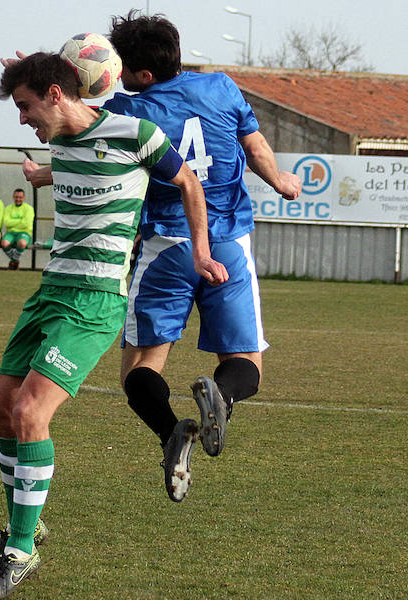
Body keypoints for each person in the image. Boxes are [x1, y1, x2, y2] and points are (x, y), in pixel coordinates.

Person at [0, 52, 226, 600]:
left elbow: (187, 183)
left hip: (94, 300)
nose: (21, 119)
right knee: (1, 412)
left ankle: (20, 551)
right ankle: (27, 524)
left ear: (57, 94)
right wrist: (35, 68)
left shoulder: (136, 133)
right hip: (48, 293)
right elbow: (62, 158)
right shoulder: (59, 144)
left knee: (29, 411)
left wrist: (202, 252)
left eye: (25, 106)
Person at [106, 11, 302, 500]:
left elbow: (79, 140)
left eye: (121, 65)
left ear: (143, 74)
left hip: (168, 248)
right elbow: (253, 144)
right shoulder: (221, 86)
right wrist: (279, 180)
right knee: (245, 361)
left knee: (141, 369)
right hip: (230, 245)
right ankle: (224, 395)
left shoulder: (128, 110)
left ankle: (173, 433)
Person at [0, 188, 34, 270]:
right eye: (16, 197)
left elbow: (26, 224)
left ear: (24, 198)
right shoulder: (8, 208)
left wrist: (13, 223)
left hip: (24, 232)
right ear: (13, 197)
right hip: (11, 233)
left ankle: (13, 262)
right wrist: (20, 221)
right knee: (4, 243)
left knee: (22, 243)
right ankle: (15, 260)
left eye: (20, 197)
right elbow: (7, 223)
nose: (18, 199)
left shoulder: (29, 208)